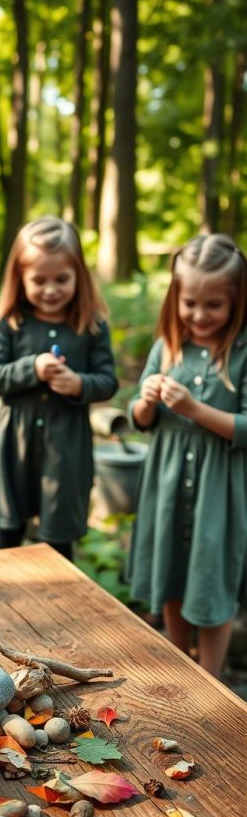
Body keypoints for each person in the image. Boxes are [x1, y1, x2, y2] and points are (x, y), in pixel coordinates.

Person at [128, 234, 247, 679]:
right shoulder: (166, 347)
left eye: (213, 305)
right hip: (168, 481)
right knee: (173, 569)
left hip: (221, 487)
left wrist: (194, 410)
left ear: (237, 301)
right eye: (189, 302)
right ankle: (180, 667)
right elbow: (140, 418)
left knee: (212, 577)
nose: (199, 315)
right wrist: (145, 399)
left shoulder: (241, 355)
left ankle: (211, 677)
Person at [0, 215, 118, 559]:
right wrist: (32, 367)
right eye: (39, 280)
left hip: (66, 445)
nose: (51, 289)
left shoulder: (92, 326)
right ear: (20, 278)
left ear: (79, 276)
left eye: (62, 279)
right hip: (14, 442)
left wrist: (78, 385)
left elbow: (107, 382)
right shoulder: (12, 324)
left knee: (58, 537)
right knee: (8, 531)